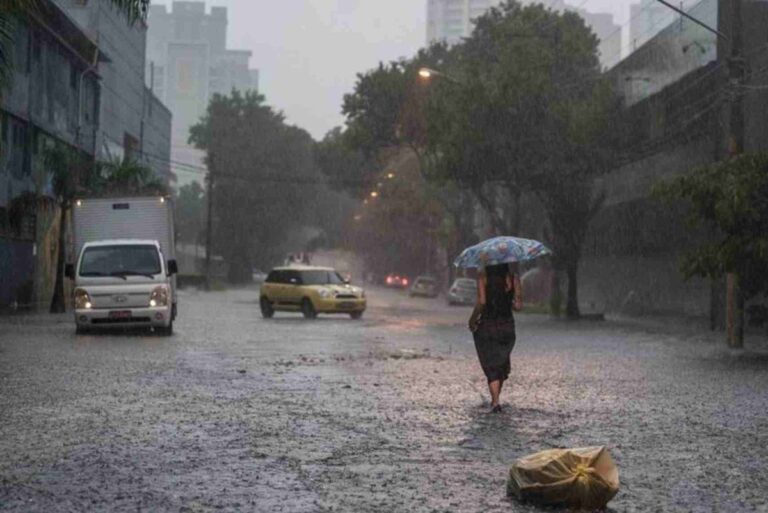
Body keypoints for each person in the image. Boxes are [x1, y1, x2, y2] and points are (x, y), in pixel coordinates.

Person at [468, 262, 523, 413]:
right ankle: (496, 399)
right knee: (501, 363)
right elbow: (518, 306)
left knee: (491, 364)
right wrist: (507, 301)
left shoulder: (483, 277)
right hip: (507, 327)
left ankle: (495, 402)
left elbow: (482, 302)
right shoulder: (513, 278)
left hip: (488, 326)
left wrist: (472, 320)